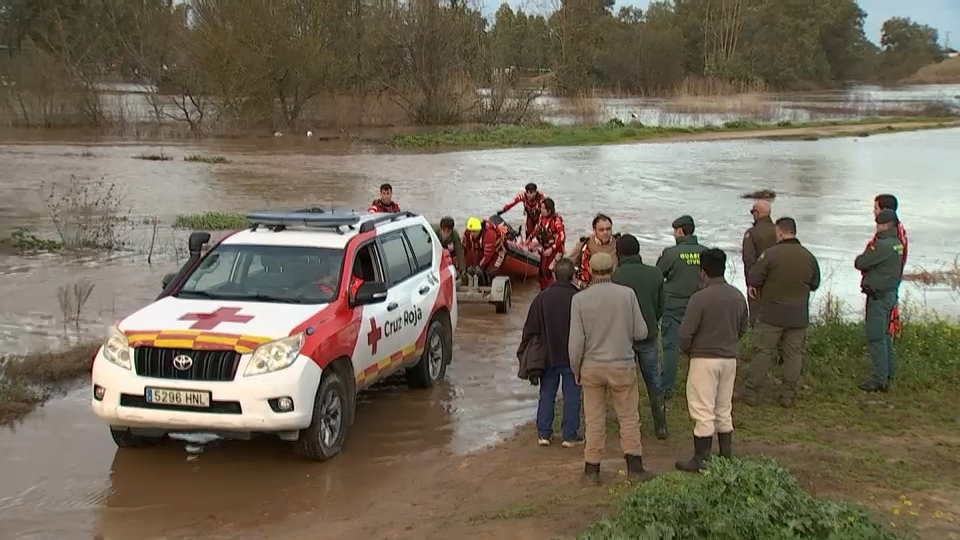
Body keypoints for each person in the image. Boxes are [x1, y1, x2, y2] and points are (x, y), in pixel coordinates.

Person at [569, 252, 651, 485]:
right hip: (622, 365)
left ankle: (592, 471)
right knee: (629, 417)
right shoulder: (627, 295)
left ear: (590, 271)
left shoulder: (579, 299)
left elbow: (576, 343)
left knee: (594, 420)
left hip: (592, 367)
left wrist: (576, 368)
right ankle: (635, 468)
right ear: (613, 269)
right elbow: (641, 332)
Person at [675, 248, 748, 472]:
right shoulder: (737, 295)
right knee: (724, 407)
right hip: (729, 358)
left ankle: (701, 460)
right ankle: (726, 457)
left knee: (702, 409)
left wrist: (687, 349)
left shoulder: (700, 298)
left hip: (704, 359)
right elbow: (743, 327)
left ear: (703, 272)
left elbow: (685, 333)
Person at [741, 217, 821, 408]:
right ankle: (788, 394)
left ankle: (751, 392)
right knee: (793, 354)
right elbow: (815, 284)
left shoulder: (771, 254)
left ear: (780, 232)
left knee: (763, 351)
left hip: (772, 314)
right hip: (798, 316)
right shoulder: (808, 256)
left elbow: (754, 277)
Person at [612, 234, 668, 440]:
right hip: (649, 335)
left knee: (626, 382)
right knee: (653, 380)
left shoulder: (616, 276)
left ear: (619, 253)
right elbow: (662, 306)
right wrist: (651, 321)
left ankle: (629, 424)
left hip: (624, 337)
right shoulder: (655, 273)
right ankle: (660, 425)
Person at [521, 259, 582, 448]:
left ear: (554, 275)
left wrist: (526, 353)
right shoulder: (578, 298)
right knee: (572, 395)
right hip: (572, 356)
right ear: (573, 276)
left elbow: (530, 329)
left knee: (547, 394)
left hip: (547, 356)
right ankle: (569, 436)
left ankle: (544, 434)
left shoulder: (542, 298)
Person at [655, 215, 707, 399]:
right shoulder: (705, 252)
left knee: (671, 347)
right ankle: (700, 388)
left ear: (679, 231)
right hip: (699, 305)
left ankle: (666, 388)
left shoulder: (671, 253)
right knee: (700, 348)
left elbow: (658, 274)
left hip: (674, 305)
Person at [854, 208, 905, 393]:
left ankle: (879, 379)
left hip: (878, 296)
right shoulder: (898, 243)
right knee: (884, 336)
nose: (876, 227)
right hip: (889, 294)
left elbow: (861, 262)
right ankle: (888, 373)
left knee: (876, 337)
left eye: (878, 224)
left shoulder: (882, 245)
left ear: (884, 225)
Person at [868, 194, 908, 342]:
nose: (873, 211)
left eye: (876, 208)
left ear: (884, 210)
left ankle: (888, 345)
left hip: (885, 284)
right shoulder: (895, 230)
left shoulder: (893, 233)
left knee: (881, 330)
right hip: (887, 281)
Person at [742, 198, 777, 326]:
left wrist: (751, 283)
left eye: (752, 212)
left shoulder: (752, 233)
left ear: (756, 213)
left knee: (757, 318)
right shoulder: (779, 231)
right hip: (777, 281)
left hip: (758, 283)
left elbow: (748, 260)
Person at [569, 213, 619, 289]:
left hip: (614, 289)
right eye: (601, 230)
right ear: (594, 230)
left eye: (608, 229)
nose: (605, 232)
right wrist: (580, 283)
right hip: (589, 289)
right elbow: (567, 266)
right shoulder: (584, 245)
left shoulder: (619, 245)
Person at [529, 198, 566, 290]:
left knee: (550, 271)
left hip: (556, 250)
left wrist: (552, 248)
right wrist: (528, 239)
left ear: (549, 210)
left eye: (543, 208)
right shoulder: (542, 218)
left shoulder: (556, 221)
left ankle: (555, 290)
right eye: (541, 208)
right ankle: (544, 291)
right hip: (546, 248)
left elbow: (562, 237)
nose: (541, 210)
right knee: (542, 271)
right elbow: (536, 230)